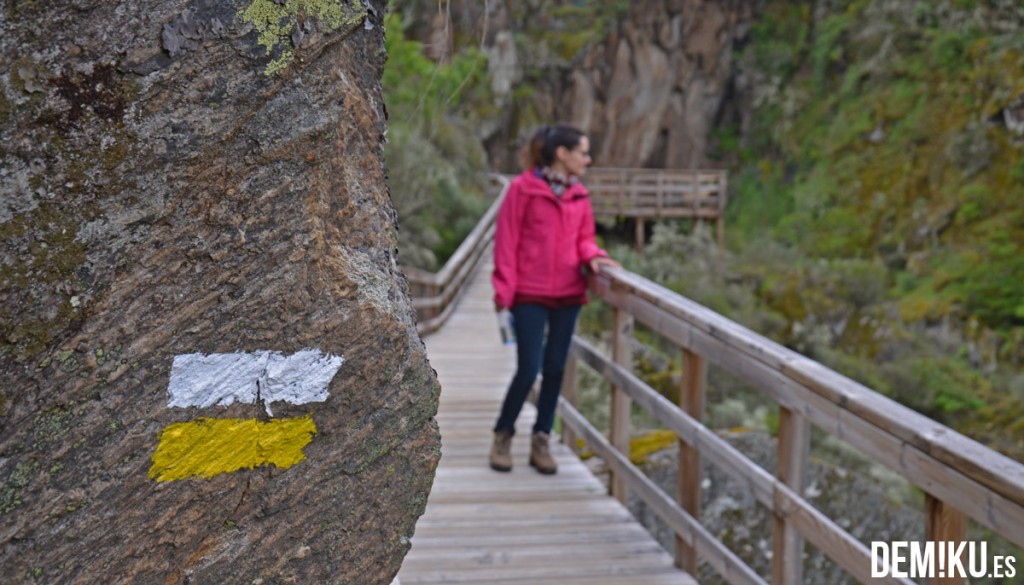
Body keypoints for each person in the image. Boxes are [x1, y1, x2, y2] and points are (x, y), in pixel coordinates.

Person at [490, 123, 620, 474]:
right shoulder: (522, 190)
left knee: (555, 369)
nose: (588, 159)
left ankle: (541, 439)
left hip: (568, 295)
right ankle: (503, 434)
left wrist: (595, 256)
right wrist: (504, 291)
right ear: (563, 154)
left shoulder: (580, 195)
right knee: (529, 367)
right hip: (528, 294)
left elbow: (584, 240)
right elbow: (506, 242)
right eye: (583, 152)